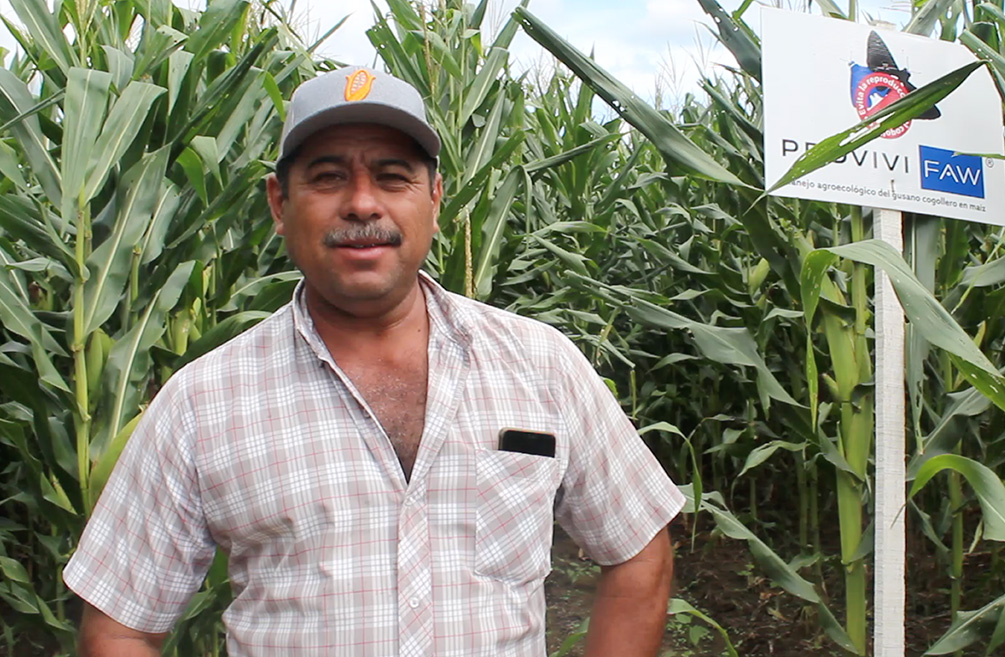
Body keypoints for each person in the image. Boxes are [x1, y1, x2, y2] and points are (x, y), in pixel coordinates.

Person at [65, 66, 685, 657]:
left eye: (393, 177)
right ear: (280, 203)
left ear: (435, 198)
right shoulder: (203, 401)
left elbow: (637, 552)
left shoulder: (540, 365)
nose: (363, 204)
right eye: (329, 177)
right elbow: (122, 627)